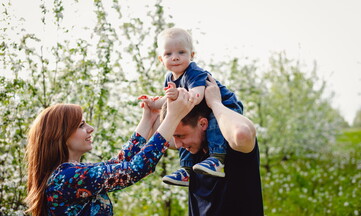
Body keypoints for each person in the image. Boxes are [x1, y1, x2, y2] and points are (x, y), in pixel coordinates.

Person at [25, 89, 197, 216]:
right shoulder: (67, 177)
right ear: (59, 135)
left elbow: (119, 164)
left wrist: (148, 119)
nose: (90, 129)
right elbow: (133, 170)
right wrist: (172, 117)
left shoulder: (71, 172)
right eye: (81, 125)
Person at [142, 27, 244, 186]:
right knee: (180, 131)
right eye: (168, 54)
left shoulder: (193, 72)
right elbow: (169, 99)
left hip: (224, 106)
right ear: (161, 59)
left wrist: (182, 96)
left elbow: (197, 94)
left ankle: (217, 159)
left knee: (214, 123)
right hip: (200, 111)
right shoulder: (169, 77)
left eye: (181, 52)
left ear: (192, 55)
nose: (175, 58)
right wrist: (154, 103)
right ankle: (187, 169)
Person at [161, 75, 264, 215]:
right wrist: (149, 113)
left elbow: (242, 134)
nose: (177, 145)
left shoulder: (230, 145)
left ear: (203, 123)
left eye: (180, 136)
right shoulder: (192, 152)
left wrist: (215, 103)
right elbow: (154, 139)